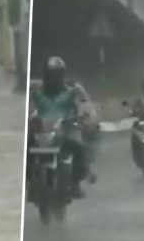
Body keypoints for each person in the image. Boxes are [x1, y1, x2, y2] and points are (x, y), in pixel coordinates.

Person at [29, 56, 95, 198]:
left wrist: (85, 116)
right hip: (41, 130)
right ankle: (29, 181)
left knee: (79, 148)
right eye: (50, 74)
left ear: (62, 74)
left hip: (65, 128)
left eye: (57, 74)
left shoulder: (73, 89)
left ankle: (76, 183)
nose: (53, 78)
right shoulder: (35, 88)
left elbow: (86, 105)